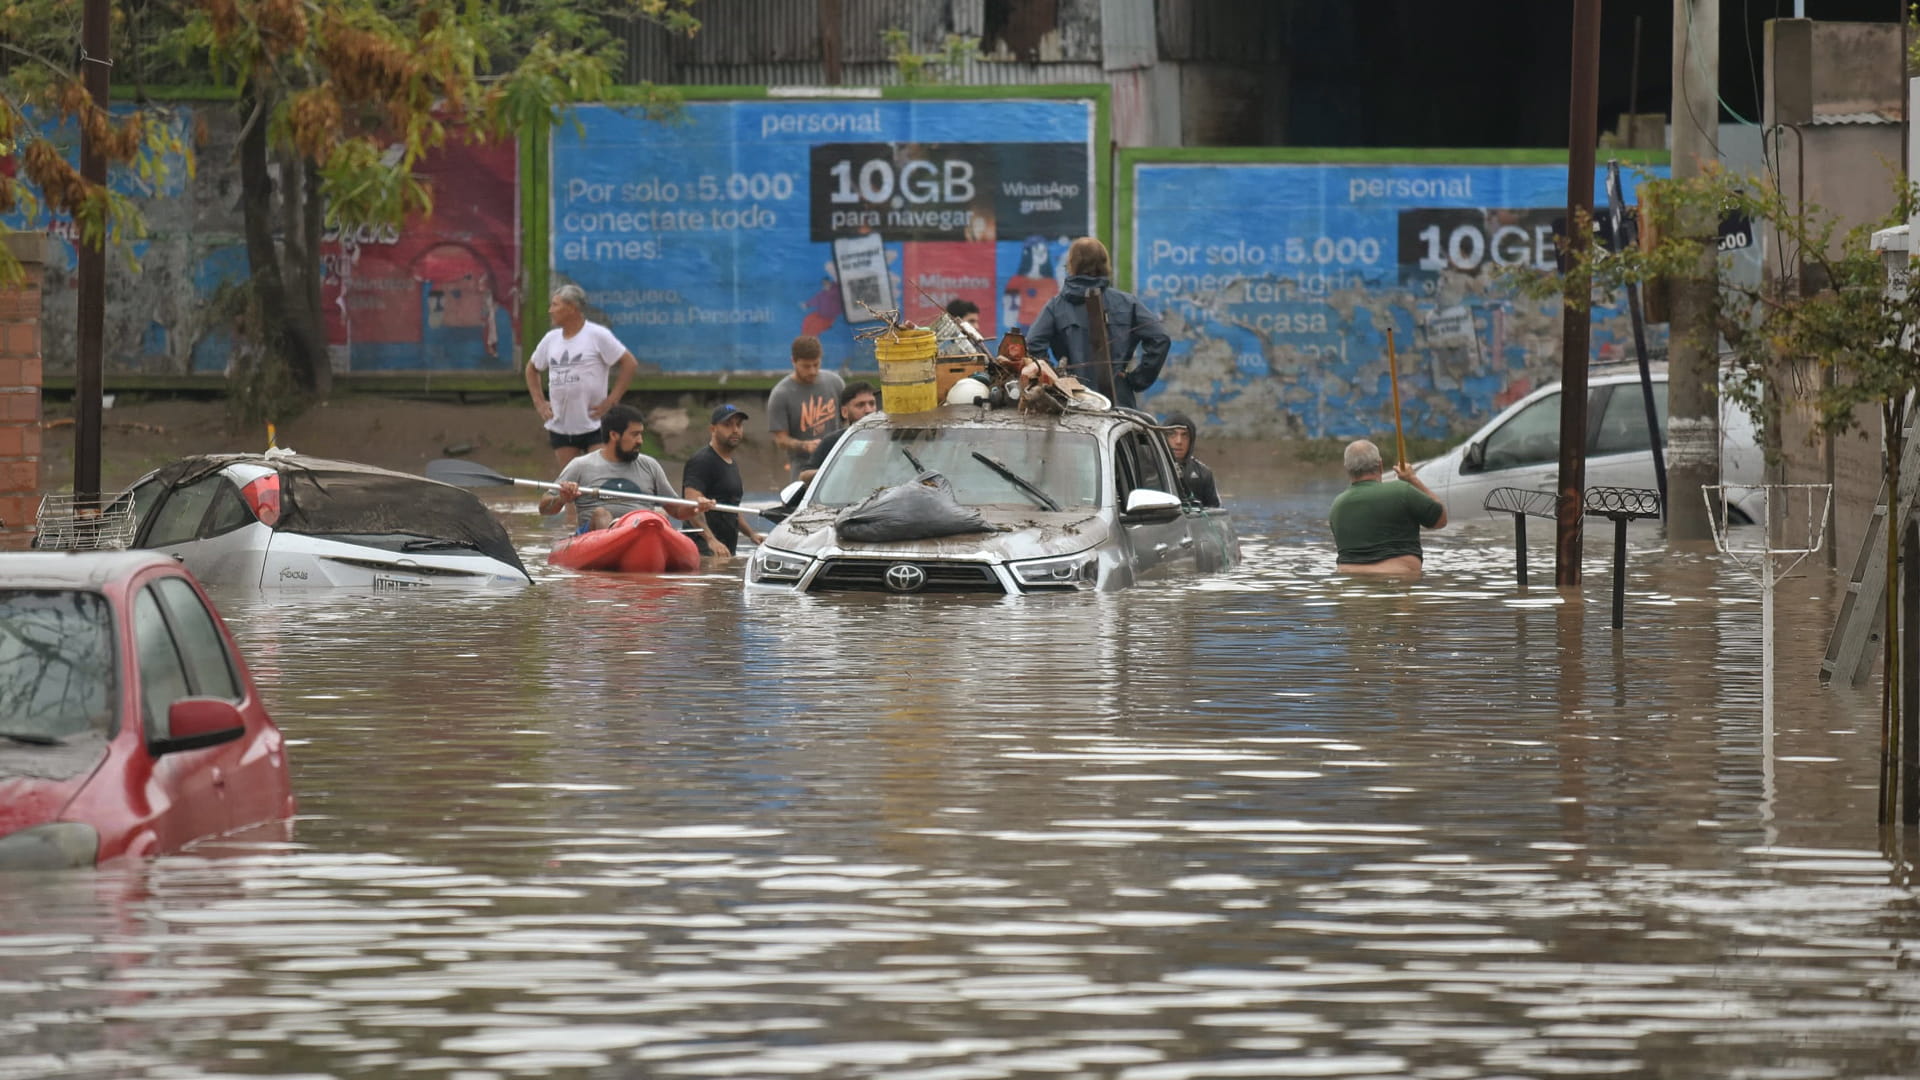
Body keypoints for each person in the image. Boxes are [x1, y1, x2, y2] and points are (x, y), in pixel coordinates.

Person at [1025, 237, 1170, 410]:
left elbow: (1032, 344)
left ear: (1072, 264)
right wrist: (1136, 380)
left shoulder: (1056, 307)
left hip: (1072, 400)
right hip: (1119, 402)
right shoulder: (1127, 303)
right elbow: (1160, 338)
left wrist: (1055, 379)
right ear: (1104, 264)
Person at [540, 405, 713, 532]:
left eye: (641, 434)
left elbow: (676, 510)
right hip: (596, 535)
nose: (640, 441)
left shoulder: (650, 466)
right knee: (601, 514)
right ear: (614, 435)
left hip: (641, 531)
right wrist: (562, 499)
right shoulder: (581, 465)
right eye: (634, 434)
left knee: (661, 514)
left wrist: (695, 507)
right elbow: (545, 508)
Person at [525, 284, 638, 469]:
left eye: (555, 305)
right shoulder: (551, 339)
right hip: (562, 424)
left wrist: (612, 400)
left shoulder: (597, 335)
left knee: (598, 477)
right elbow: (531, 369)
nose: (550, 310)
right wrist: (539, 402)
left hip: (595, 423)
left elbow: (629, 363)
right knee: (570, 483)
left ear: (571, 308)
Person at [1328, 439, 1448, 577]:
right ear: (1380, 465)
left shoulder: (1337, 505)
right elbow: (1441, 519)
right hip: (1398, 581)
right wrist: (1412, 479)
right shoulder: (1402, 491)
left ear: (1347, 469)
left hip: (1350, 585)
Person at [682, 404, 761, 557]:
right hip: (703, 551)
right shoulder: (702, 461)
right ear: (713, 429)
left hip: (725, 551)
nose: (735, 430)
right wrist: (711, 541)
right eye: (727, 425)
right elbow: (692, 506)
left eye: (738, 425)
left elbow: (731, 509)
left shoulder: (731, 463)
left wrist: (751, 534)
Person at [768, 335, 846, 483]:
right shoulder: (781, 394)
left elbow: (848, 421)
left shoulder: (835, 383)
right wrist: (805, 445)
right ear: (793, 361)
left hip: (838, 463)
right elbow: (780, 439)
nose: (812, 371)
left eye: (816, 365)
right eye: (806, 366)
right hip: (803, 470)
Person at [798, 381, 880, 483]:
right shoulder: (834, 441)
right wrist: (835, 471)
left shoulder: (890, 437)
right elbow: (804, 475)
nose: (868, 410)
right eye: (860, 405)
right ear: (844, 412)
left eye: (872, 404)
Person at [1162, 411, 1220, 508]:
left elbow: (1215, 513)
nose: (1178, 441)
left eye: (1184, 436)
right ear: (1163, 438)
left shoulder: (1203, 473)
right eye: (1172, 435)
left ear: (1191, 441)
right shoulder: (1150, 470)